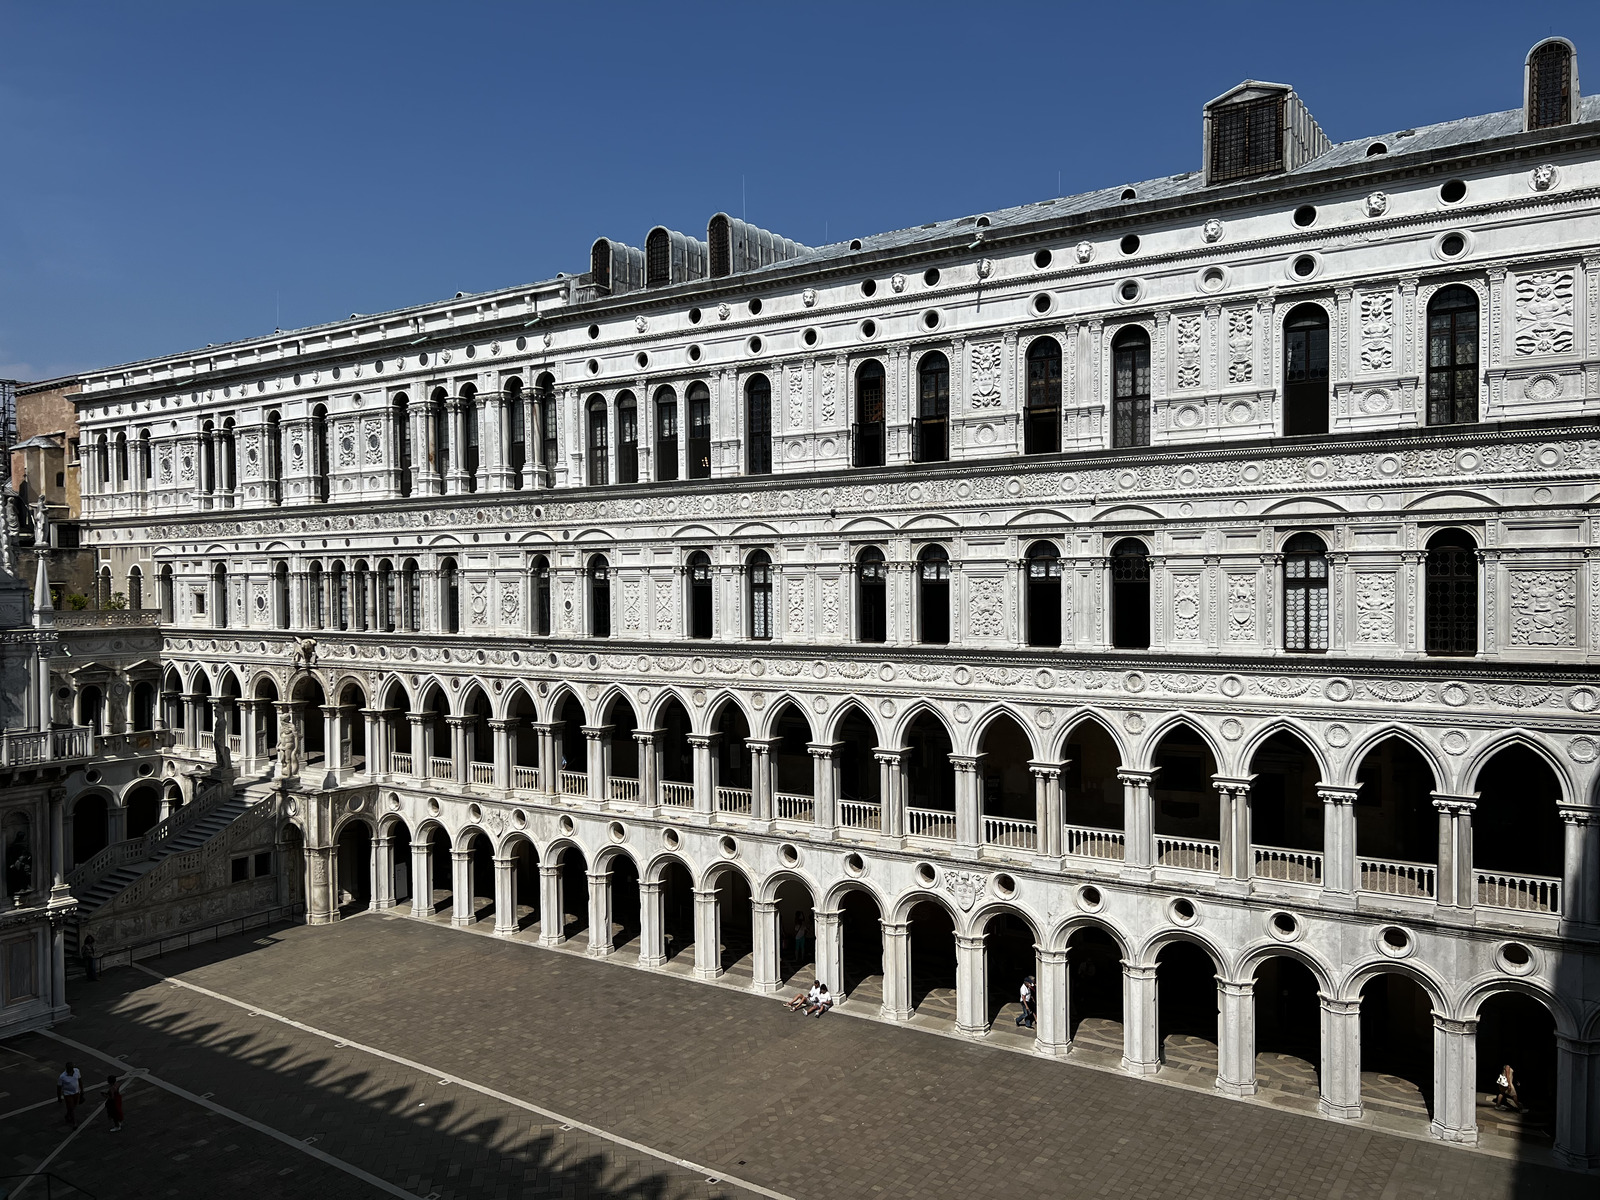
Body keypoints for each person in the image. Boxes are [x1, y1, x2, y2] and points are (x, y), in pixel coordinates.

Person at [56, 1062, 82, 1127]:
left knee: (74, 1106)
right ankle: (74, 1122)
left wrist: (82, 1090)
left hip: (76, 1092)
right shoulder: (62, 1077)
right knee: (71, 1108)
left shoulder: (77, 1071)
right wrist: (59, 1097)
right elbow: (59, 1088)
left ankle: (67, 1115)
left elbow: (80, 1080)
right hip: (68, 1094)